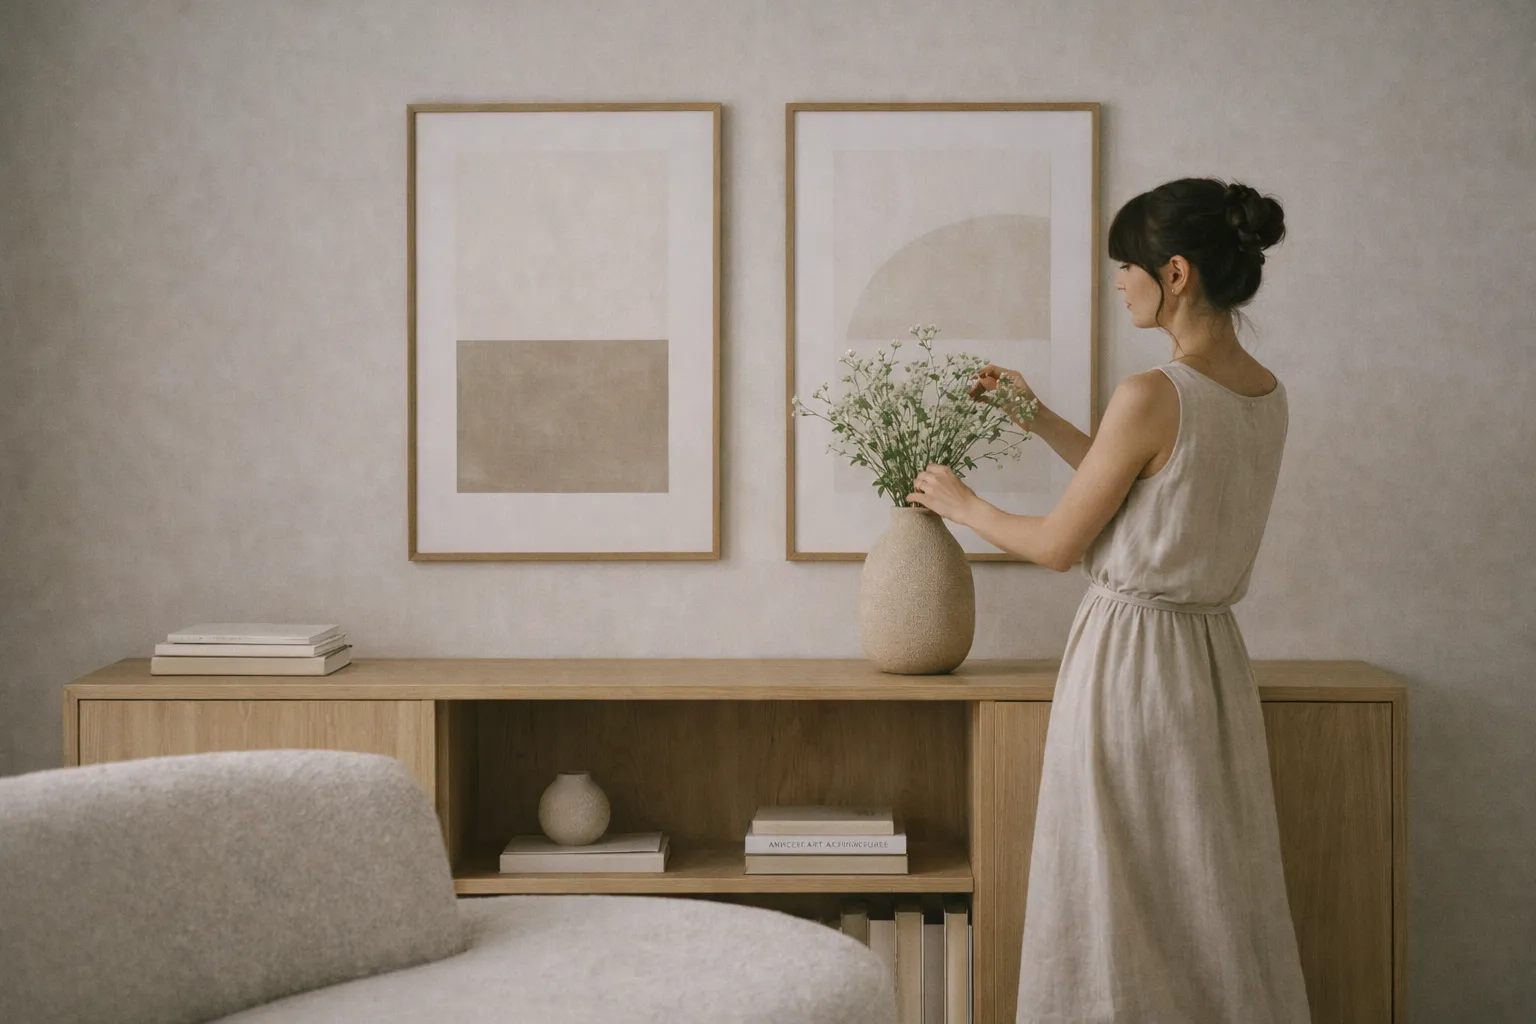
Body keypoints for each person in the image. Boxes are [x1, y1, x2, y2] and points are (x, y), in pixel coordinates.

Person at [906, 177, 1310, 1022]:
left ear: (1174, 273)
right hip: (1209, 667)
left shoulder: (1153, 393)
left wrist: (962, 503)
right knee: (1204, 892)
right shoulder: (1264, 395)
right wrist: (1040, 417)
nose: (1116, 283)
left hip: (1129, 666)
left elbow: (1062, 544)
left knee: (1111, 892)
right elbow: (1149, 492)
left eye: (1125, 267)